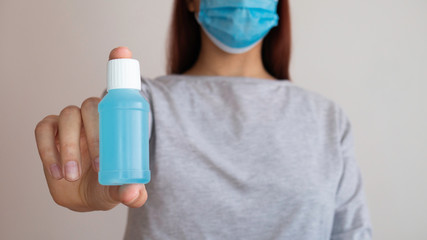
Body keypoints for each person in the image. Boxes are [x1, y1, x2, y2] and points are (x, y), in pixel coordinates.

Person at [34, 0, 372, 239]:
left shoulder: (327, 119)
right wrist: (95, 185)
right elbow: (118, 160)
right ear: (191, 2)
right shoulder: (144, 102)